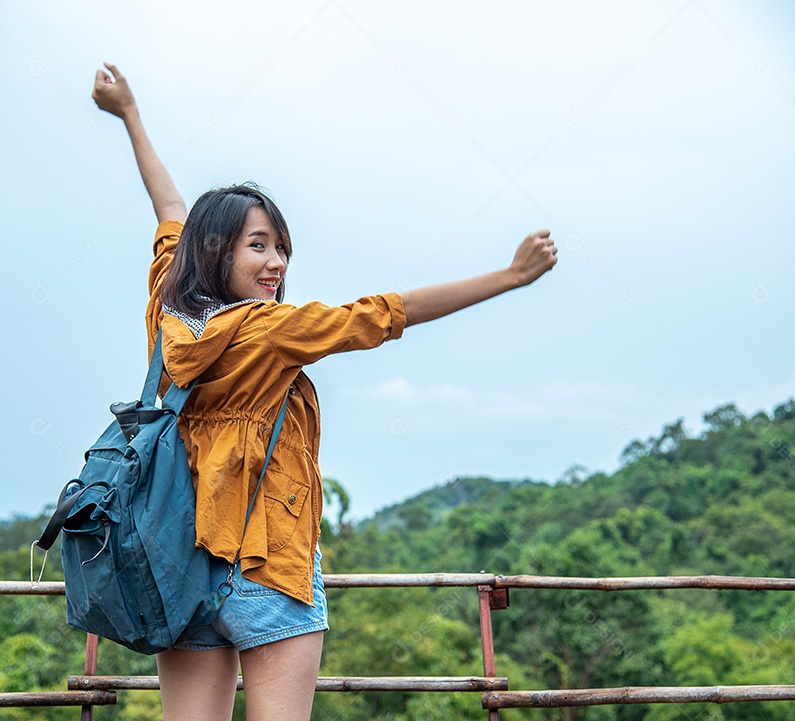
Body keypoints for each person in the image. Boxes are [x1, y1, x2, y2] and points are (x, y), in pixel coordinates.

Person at [91, 61, 557, 721]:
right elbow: (386, 313)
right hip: (268, 567)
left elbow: (170, 211)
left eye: (281, 246)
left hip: (178, 567)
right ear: (218, 248)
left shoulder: (165, 314)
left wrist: (130, 114)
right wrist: (509, 276)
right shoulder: (273, 330)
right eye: (259, 246)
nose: (277, 262)